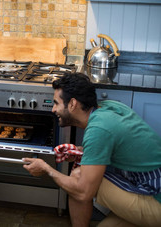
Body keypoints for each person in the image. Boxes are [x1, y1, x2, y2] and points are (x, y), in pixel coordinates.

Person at [23, 73, 161, 227]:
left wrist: (47, 169)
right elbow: (115, 146)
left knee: (78, 177)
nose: (53, 109)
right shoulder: (108, 108)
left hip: (155, 198)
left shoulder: (99, 128)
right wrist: (82, 151)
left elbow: (83, 193)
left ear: (72, 104)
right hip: (144, 187)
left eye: (56, 103)